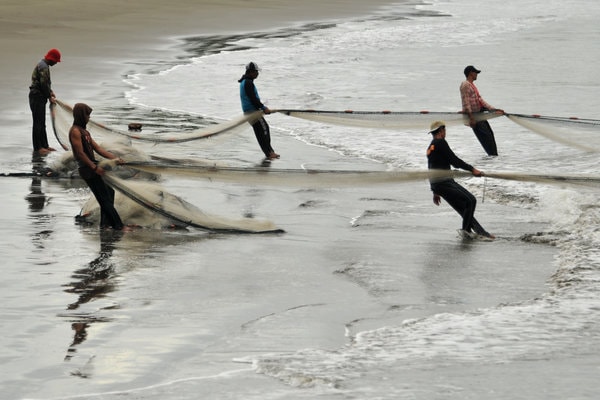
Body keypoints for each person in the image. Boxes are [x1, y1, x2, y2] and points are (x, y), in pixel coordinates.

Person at [426, 120, 494, 239]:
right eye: (444, 130)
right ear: (442, 130)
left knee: (464, 208)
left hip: (438, 184)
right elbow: (455, 161)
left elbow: (431, 167)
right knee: (471, 201)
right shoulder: (440, 142)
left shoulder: (432, 145)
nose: (445, 132)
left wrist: (435, 191)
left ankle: (481, 233)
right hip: (444, 182)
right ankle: (466, 232)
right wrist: (472, 169)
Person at [68, 103, 131, 231]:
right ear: (81, 115)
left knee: (109, 193)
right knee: (104, 198)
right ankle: (118, 226)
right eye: (87, 115)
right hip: (87, 169)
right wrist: (94, 168)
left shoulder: (85, 132)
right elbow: (80, 153)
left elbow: (98, 149)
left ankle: (105, 224)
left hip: (92, 167)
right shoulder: (75, 131)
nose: (89, 118)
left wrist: (115, 159)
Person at [459, 65, 504, 156]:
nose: (477, 74)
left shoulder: (472, 85)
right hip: (474, 117)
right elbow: (466, 103)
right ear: (471, 73)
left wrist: (494, 110)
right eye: (475, 72)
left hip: (480, 115)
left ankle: (494, 159)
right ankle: (492, 159)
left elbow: (480, 101)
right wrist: (471, 119)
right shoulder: (465, 85)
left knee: (490, 135)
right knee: (486, 139)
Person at [238, 62, 279, 160]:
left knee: (260, 133)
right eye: (256, 72)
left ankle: (269, 153)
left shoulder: (245, 81)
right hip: (253, 112)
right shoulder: (248, 82)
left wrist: (261, 107)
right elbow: (252, 98)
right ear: (251, 72)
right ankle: (269, 153)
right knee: (264, 130)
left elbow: (251, 98)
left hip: (248, 112)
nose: (257, 74)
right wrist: (263, 108)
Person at [29, 48, 61, 154]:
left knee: (41, 122)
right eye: (56, 61)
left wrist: (50, 92)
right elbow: (43, 84)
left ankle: (45, 145)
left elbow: (45, 83)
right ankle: (38, 148)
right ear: (52, 59)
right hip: (36, 96)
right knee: (38, 122)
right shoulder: (43, 67)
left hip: (39, 96)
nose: (56, 63)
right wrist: (49, 96)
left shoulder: (44, 65)